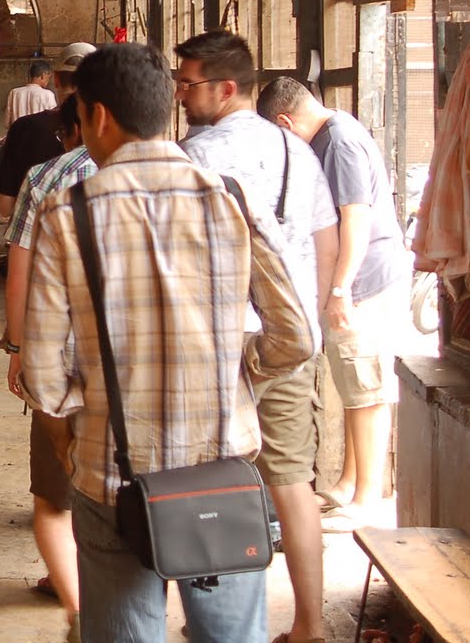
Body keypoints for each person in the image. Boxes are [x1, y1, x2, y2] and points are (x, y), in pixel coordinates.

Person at [22, 43, 313, 642]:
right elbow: (297, 335)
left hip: (113, 474)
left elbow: (44, 374)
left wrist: (78, 418)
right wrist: (241, 368)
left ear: (98, 117)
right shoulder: (230, 196)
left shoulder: (66, 213)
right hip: (221, 471)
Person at [175, 32, 338, 643]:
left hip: (216, 347)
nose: (183, 95)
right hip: (288, 342)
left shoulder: (193, 156)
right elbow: (324, 242)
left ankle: (210, 622)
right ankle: (310, 626)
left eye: (189, 84)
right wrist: (308, 322)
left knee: (207, 480)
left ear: (225, 88)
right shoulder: (296, 151)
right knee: (292, 483)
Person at [259, 76, 410, 532]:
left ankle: (367, 497)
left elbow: (356, 219)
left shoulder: (339, 143)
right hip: (351, 282)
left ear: (286, 121)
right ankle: (348, 483)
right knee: (350, 386)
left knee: (367, 390)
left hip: (364, 283)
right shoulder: (333, 132)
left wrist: (341, 287)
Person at [2, 94, 93, 640]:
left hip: (58, 358)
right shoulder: (185, 173)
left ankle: (77, 604)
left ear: (74, 127)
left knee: (55, 497)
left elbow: (20, 269)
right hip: (135, 369)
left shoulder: (46, 177)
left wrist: (17, 348)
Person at [0, 43, 94, 223]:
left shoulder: (22, 129)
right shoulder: (109, 135)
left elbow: (5, 207)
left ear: (55, 79)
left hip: (32, 240)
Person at [5, 59, 57, 129]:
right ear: (43, 75)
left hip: (18, 138)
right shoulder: (48, 95)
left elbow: (7, 123)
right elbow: (54, 122)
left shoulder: (14, 93)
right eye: (49, 77)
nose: (48, 81)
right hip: (39, 138)